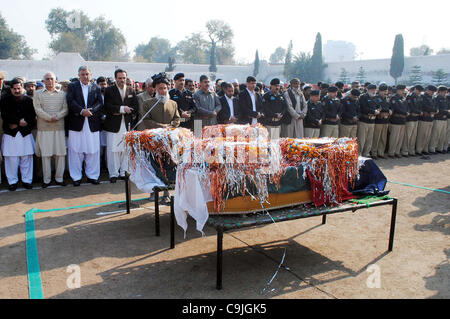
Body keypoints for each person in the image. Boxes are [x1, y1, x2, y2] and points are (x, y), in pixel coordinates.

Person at [66, 66, 103, 186]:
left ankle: (92, 176)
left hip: (92, 123)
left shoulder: (96, 87)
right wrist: (82, 111)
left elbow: (99, 103)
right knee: (76, 151)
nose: (85, 76)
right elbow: (70, 101)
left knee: (93, 151)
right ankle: (76, 177)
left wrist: (90, 111)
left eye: (87, 74)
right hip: (77, 122)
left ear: (91, 75)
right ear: (78, 75)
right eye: (83, 74)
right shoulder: (72, 86)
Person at [33, 72, 69, 188]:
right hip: (44, 128)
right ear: (43, 81)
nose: (49, 81)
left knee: (60, 154)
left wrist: (57, 117)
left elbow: (65, 109)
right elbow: (38, 109)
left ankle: (59, 178)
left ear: (55, 80)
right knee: (46, 155)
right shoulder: (37, 93)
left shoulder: (62, 94)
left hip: (59, 128)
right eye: (47, 79)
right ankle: (46, 179)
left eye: (52, 79)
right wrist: (49, 118)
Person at [0, 78, 36, 191]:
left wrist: (21, 123)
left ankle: (27, 181)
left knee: (27, 158)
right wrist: (17, 121)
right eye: (14, 89)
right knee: (11, 159)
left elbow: (32, 117)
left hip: (25, 133)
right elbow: (5, 115)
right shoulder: (4, 100)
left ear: (22, 88)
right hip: (11, 134)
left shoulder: (28, 100)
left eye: (18, 88)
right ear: (11, 89)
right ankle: (12, 182)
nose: (17, 90)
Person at [103, 69, 138, 183]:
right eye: (119, 78)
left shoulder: (131, 90)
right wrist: (122, 109)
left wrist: (127, 111)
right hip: (113, 125)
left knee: (125, 149)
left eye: (123, 78)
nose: (122, 80)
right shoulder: (109, 90)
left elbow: (135, 107)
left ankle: (124, 172)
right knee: (113, 150)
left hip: (127, 125)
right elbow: (108, 107)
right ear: (115, 78)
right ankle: (113, 173)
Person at [357, 84, 381, 158]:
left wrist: (378, 110)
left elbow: (379, 106)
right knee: (361, 139)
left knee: (369, 139)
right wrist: (374, 111)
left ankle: (366, 153)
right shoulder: (363, 97)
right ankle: (359, 153)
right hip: (364, 120)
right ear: (368, 90)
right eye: (372, 89)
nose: (374, 91)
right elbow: (363, 108)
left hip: (372, 121)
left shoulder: (376, 98)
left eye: (375, 89)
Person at [388, 85, 408, 158]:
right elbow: (396, 108)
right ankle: (391, 152)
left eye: (403, 90)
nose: (403, 91)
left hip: (402, 120)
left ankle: (397, 151)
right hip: (396, 120)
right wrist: (405, 113)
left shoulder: (403, 98)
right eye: (401, 90)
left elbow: (407, 107)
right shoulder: (394, 98)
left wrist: (407, 112)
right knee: (394, 137)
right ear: (398, 90)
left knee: (400, 138)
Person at [416, 85, 438, 155]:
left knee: (428, 135)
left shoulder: (432, 97)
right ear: (428, 90)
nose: (432, 93)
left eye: (433, 92)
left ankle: (425, 149)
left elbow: (435, 106)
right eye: (431, 91)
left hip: (430, 118)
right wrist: (434, 110)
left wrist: (435, 110)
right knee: (422, 135)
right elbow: (425, 106)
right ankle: (419, 150)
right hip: (424, 119)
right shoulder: (423, 97)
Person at [372, 84, 392, 159]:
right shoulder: (376, 98)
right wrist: (382, 111)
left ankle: (381, 152)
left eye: (386, 91)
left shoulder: (387, 98)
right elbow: (376, 108)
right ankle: (374, 152)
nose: (385, 92)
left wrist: (390, 110)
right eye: (383, 91)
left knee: (383, 138)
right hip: (378, 120)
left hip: (386, 120)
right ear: (379, 91)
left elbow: (390, 107)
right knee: (376, 137)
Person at [404, 85, 423, 156]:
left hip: (416, 118)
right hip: (410, 118)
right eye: (418, 90)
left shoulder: (419, 97)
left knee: (413, 136)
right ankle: (405, 151)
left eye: (420, 91)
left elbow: (420, 106)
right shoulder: (410, 97)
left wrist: (419, 112)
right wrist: (419, 112)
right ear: (415, 89)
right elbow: (410, 108)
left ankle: (411, 150)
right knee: (408, 136)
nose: (419, 92)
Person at [429, 86, 448, 154]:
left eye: (446, 92)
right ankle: (432, 148)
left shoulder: (445, 98)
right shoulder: (437, 98)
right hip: (438, 118)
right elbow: (437, 109)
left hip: (444, 118)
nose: (445, 93)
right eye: (444, 92)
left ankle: (440, 148)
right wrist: (446, 112)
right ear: (440, 91)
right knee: (436, 134)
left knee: (442, 134)